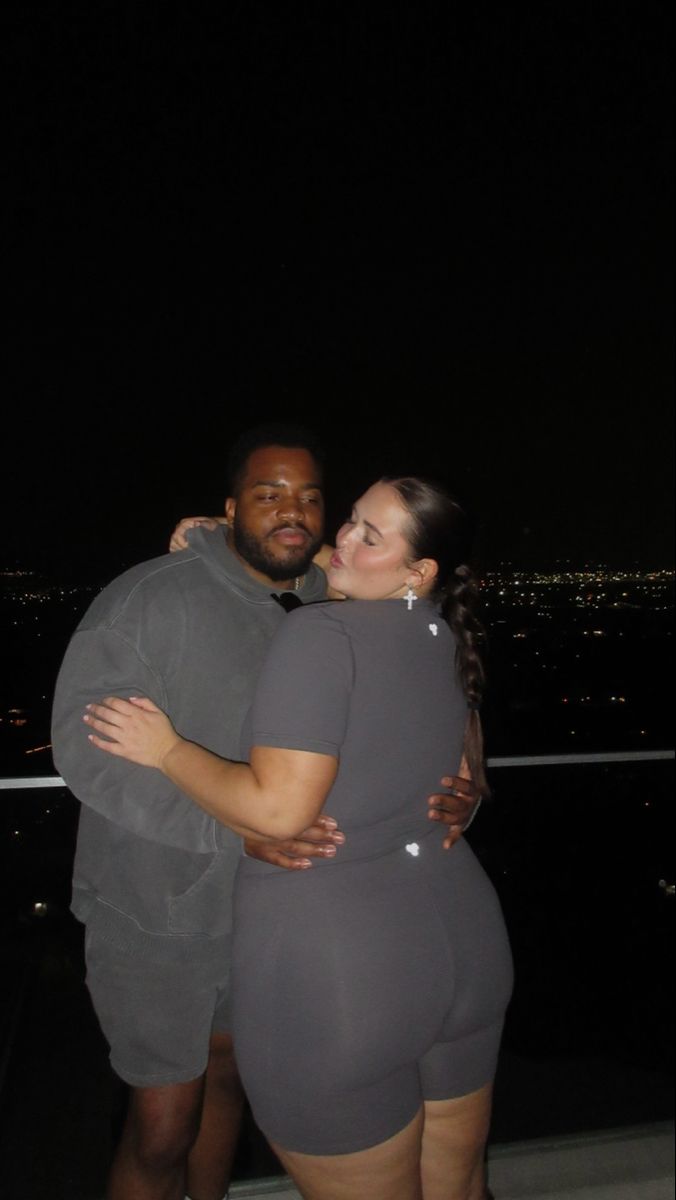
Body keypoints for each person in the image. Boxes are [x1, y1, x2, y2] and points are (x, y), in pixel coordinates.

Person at [51, 425, 481, 1200]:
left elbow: (431, 673)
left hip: (276, 915)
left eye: (311, 499)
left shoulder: (336, 591)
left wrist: (467, 777)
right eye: (268, 494)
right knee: (161, 1125)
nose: (294, 511)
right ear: (227, 509)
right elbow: (88, 750)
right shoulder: (151, 597)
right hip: (161, 913)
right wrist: (238, 828)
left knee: (226, 1094)